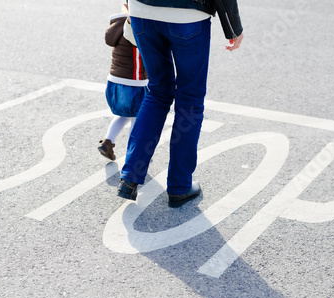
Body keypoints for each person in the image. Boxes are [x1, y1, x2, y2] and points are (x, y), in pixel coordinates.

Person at [117, 0, 244, 207]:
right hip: (188, 14)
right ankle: (179, 187)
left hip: (142, 11)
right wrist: (233, 28)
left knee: (157, 92)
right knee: (190, 101)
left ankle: (129, 177)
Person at [98, 3, 148, 161]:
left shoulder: (116, 27)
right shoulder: (137, 27)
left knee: (123, 116)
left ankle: (108, 142)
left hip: (114, 83)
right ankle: (134, 153)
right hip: (134, 83)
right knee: (137, 119)